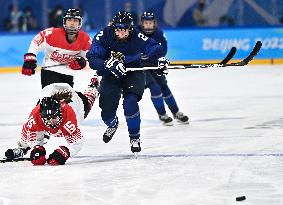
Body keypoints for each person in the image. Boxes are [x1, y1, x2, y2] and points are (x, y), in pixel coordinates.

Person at [86, 11, 166, 153]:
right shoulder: (104, 34)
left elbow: (154, 47)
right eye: (118, 29)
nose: (121, 32)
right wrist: (107, 65)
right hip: (110, 74)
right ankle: (113, 124)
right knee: (106, 112)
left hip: (133, 72)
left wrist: (159, 59)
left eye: (125, 29)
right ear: (113, 27)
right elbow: (92, 58)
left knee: (130, 103)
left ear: (130, 28)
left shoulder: (137, 35)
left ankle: (134, 137)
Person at [4, 76, 99, 165]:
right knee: (34, 132)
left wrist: (66, 152)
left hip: (77, 102)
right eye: (48, 119)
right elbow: (28, 133)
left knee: (88, 101)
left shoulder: (70, 117)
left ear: (60, 113)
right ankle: (23, 148)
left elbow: (76, 143)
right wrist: (35, 147)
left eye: (54, 117)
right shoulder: (35, 116)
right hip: (53, 93)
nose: (52, 121)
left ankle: (93, 86)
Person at [137, 11, 189, 125]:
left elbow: (163, 50)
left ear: (154, 23)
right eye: (146, 23)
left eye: (151, 23)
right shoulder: (135, 32)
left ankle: (176, 112)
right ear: (142, 23)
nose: (148, 25)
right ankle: (162, 115)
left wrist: (158, 59)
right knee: (155, 87)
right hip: (141, 68)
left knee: (164, 87)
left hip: (155, 65)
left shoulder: (159, 34)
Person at [22, 8, 92, 88]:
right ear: (64, 21)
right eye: (69, 20)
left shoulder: (85, 39)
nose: (72, 23)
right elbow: (36, 42)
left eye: (75, 21)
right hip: (50, 70)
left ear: (80, 23)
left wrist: (82, 62)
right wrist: (30, 57)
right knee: (52, 98)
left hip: (69, 73)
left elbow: (89, 56)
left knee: (66, 100)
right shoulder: (52, 34)